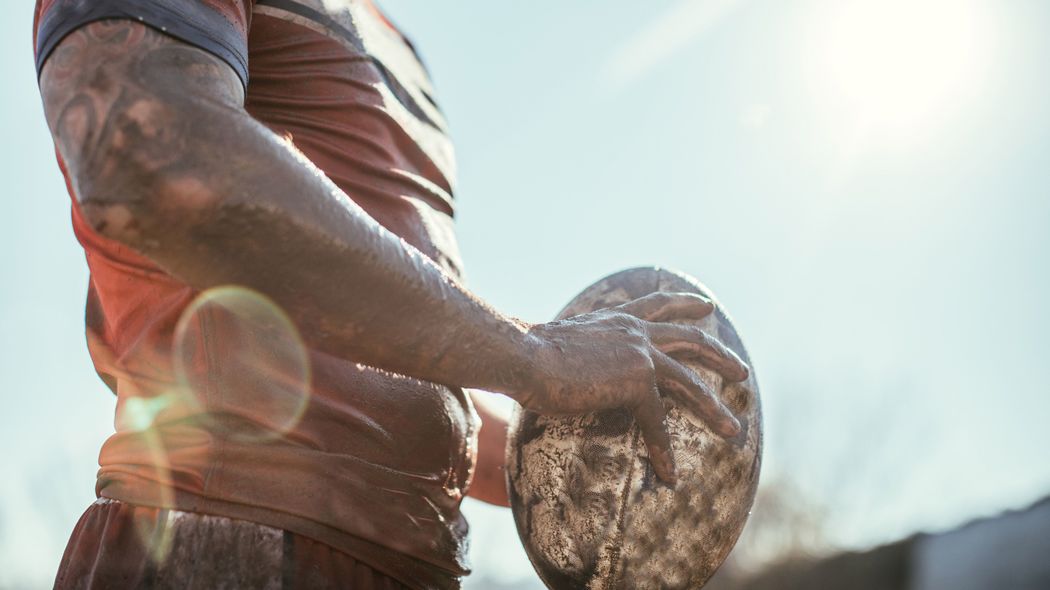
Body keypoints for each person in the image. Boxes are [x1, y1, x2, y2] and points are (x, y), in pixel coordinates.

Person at [33, 0, 750, 588]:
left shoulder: (395, 41)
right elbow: (149, 156)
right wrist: (536, 356)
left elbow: (391, 367)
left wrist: (572, 449)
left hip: (408, 564)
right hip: (222, 536)